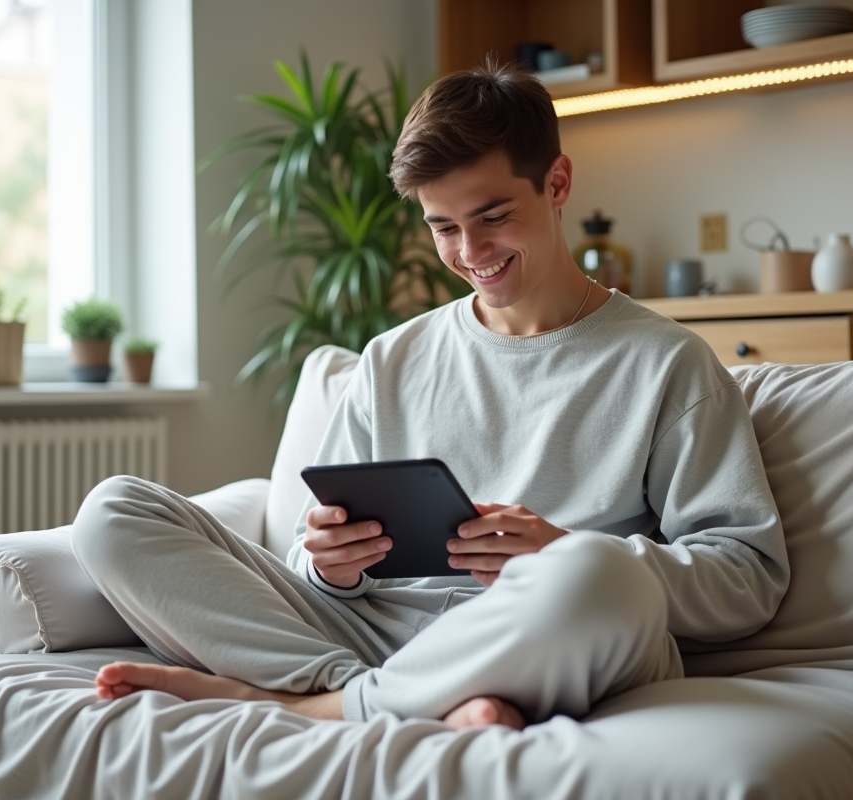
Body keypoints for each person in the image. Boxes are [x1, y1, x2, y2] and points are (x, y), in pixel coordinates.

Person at [74, 62, 789, 731]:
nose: (470, 251)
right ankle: (396, 695)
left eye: (493, 215)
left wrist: (562, 550)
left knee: (598, 574)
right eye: (443, 227)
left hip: (545, 627)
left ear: (559, 183)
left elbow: (747, 577)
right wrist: (331, 564)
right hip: (375, 631)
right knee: (113, 510)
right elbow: (309, 564)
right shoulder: (391, 359)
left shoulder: (668, 363)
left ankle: (311, 702)